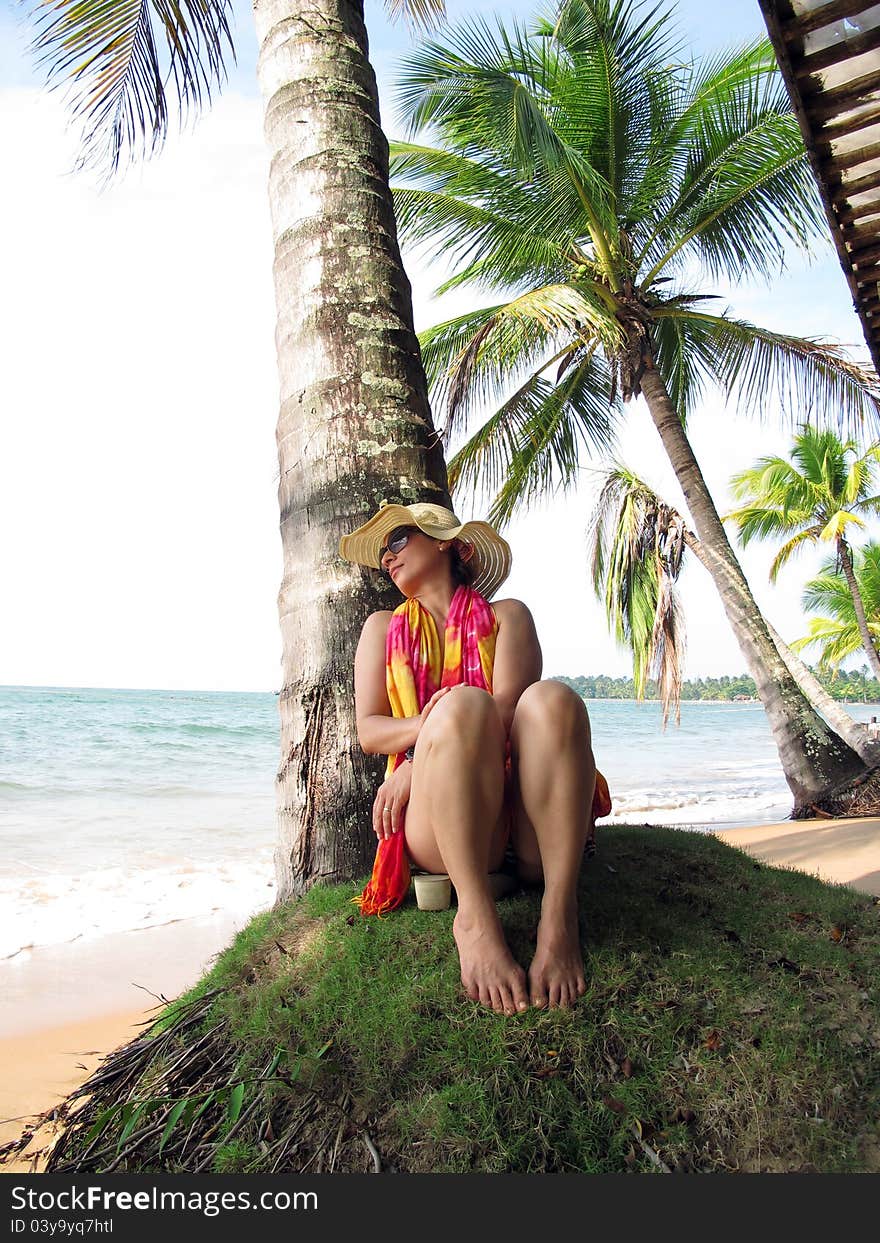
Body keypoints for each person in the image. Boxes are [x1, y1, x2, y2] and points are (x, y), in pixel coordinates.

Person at [339, 501, 608, 1016]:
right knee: (463, 703)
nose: (386, 557)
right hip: (451, 825)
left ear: (444, 541)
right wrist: (428, 734)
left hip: (525, 816)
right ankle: (475, 918)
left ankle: (559, 909)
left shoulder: (508, 617)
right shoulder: (380, 628)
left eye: (397, 540)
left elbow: (511, 712)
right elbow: (370, 730)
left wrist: (417, 759)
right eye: (382, 552)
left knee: (554, 699)